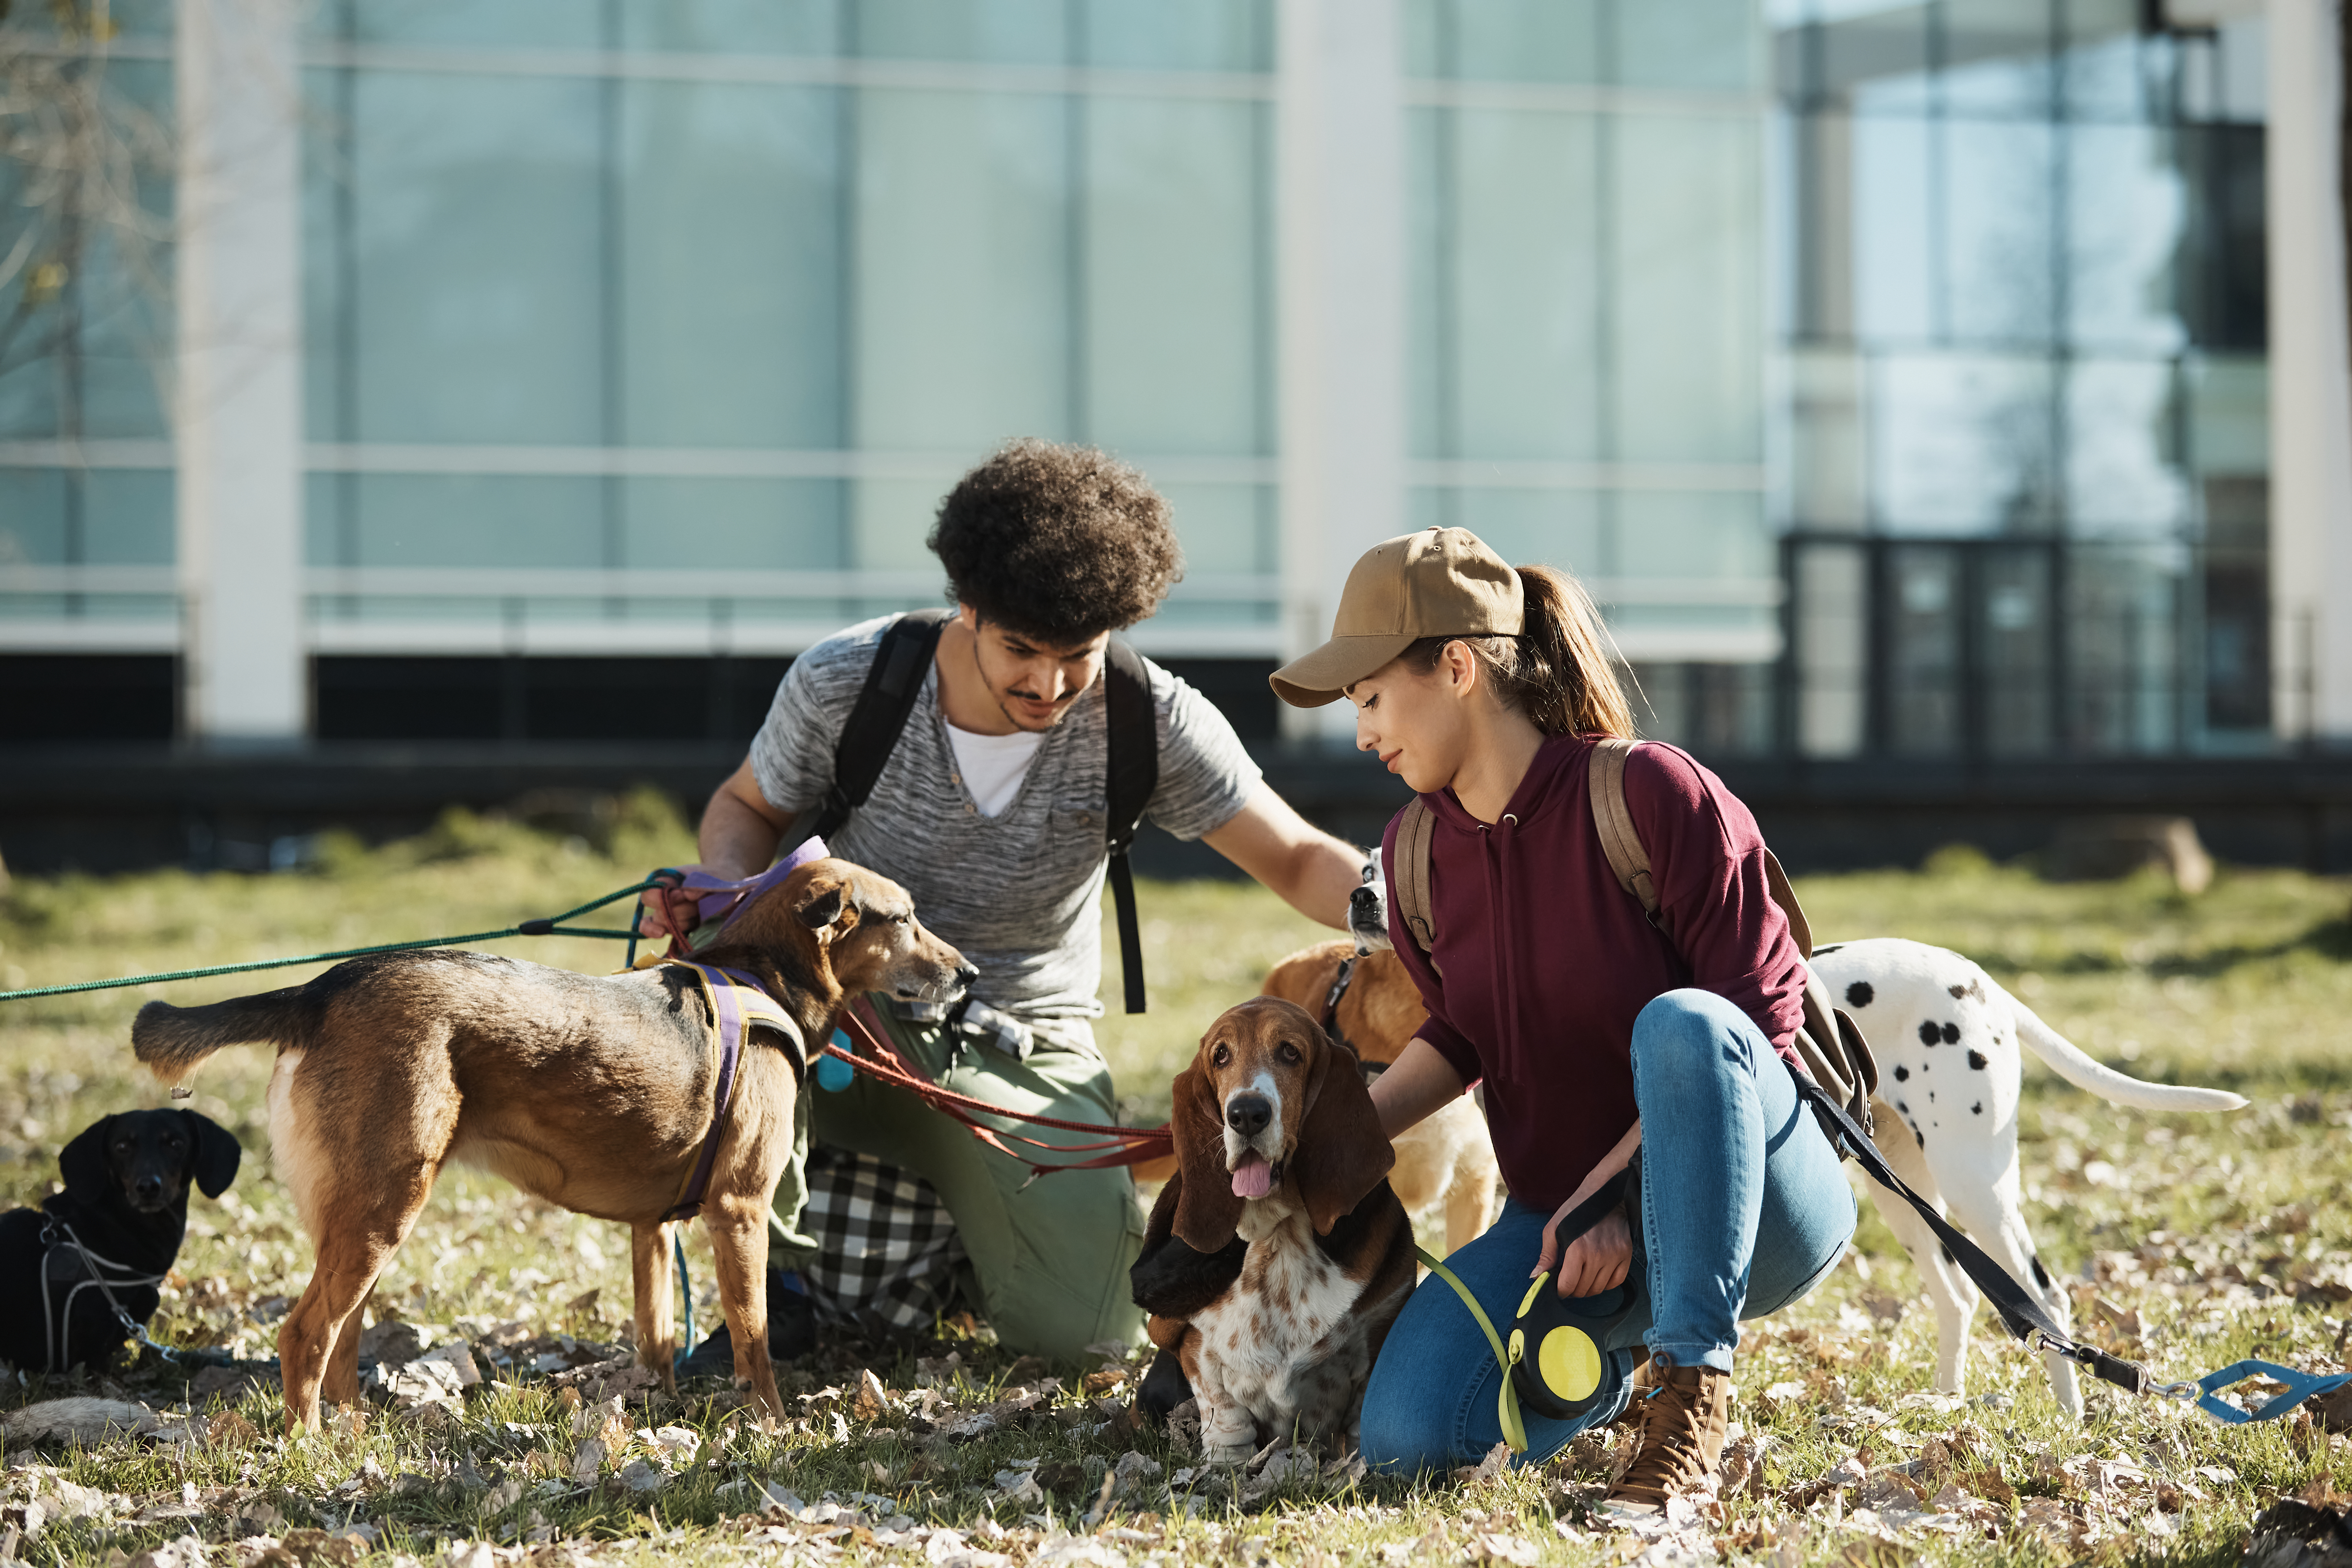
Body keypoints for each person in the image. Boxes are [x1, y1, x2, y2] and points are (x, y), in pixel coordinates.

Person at [642, 439, 1369, 1367]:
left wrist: (1406, 911)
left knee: (1088, 1328)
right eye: (1019, 649)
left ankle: (949, 1244)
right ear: (967, 605)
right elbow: (744, 806)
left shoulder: (1150, 719)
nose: (1047, 684)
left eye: (1079, 657)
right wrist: (735, 891)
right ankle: (795, 1279)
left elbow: (1300, 854)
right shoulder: (850, 681)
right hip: (856, 1019)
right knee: (764, 1076)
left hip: (1022, 1036)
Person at [1267, 527, 1856, 1513]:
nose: (1362, 733)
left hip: (1759, 1204)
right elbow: (1461, 1030)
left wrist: (1618, 1192)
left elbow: (1753, 1019)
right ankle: (1608, 1366)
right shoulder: (1415, 849)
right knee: (1412, 1436)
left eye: (1369, 698)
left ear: (1456, 665)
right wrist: (1327, 1139)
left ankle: (1690, 1398)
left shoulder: (1653, 794)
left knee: (1685, 1022)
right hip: (1563, 1232)